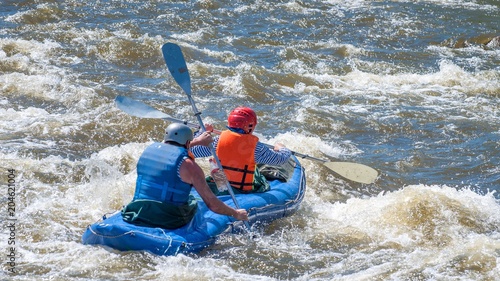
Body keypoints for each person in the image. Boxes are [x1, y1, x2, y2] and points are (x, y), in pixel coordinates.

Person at [122, 123, 248, 229]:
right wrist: (236, 214)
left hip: (138, 210)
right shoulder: (190, 167)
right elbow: (213, 205)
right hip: (169, 218)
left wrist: (197, 141)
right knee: (192, 200)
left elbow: (171, 149)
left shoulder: (148, 151)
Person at [191, 106, 292, 194]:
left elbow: (194, 151)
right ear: (250, 126)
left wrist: (202, 132)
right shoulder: (256, 147)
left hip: (218, 186)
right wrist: (282, 148)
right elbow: (280, 159)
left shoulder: (217, 141)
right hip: (241, 190)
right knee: (258, 174)